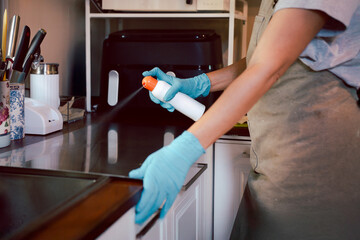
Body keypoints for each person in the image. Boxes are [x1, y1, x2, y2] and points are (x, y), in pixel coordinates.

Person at [129, 0, 360, 239]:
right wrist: (200, 84)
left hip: (316, 169)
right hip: (274, 162)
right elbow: (263, 56)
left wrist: (185, 148)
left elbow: (268, 66)